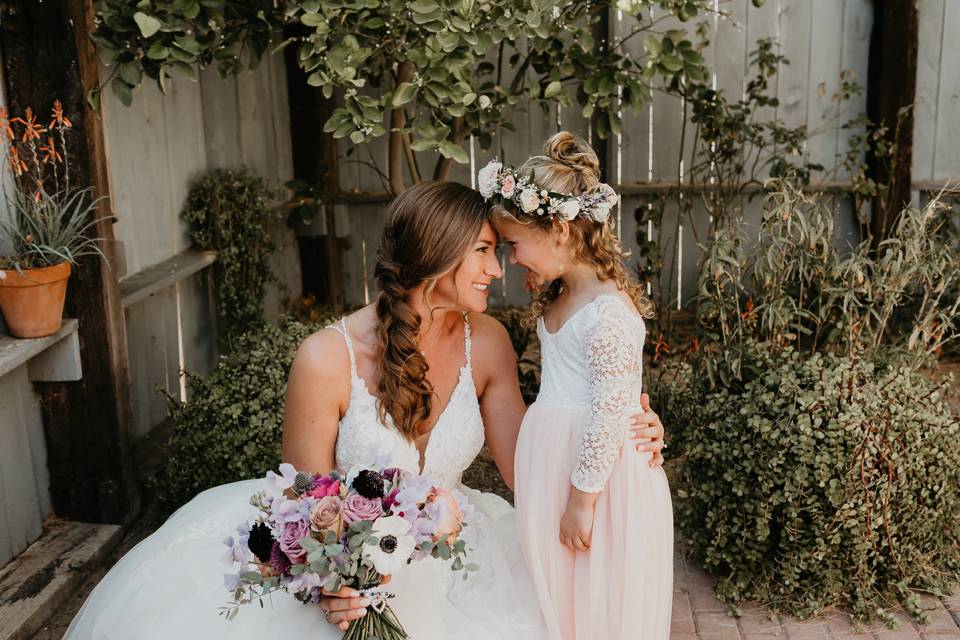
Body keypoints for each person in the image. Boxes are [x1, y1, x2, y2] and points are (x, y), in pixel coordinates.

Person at [65, 180, 667, 639]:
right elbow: (303, 501)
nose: (497, 267)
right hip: (355, 566)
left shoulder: (487, 344)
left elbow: (526, 470)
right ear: (437, 254)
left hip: (464, 553)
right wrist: (335, 580)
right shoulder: (325, 359)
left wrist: (620, 437)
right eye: (483, 250)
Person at [488, 132, 673, 639]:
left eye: (515, 245)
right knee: (562, 595)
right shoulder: (563, 296)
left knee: (598, 597)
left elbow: (611, 411)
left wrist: (582, 500)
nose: (512, 259)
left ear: (560, 229)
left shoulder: (608, 313)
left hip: (595, 481)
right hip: (559, 465)